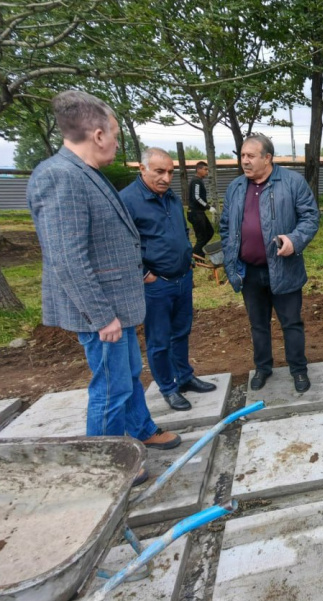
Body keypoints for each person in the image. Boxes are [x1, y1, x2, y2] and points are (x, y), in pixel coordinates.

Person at [28, 91, 180, 486]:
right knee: (109, 388)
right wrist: (101, 316)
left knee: (129, 372)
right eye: (113, 133)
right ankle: (107, 464)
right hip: (102, 312)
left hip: (117, 307)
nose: (116, 141)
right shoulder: (58, 177)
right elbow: (66, 257)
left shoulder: (85, 173)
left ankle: (141, 429)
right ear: (97, 134)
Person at [119, 148, 217, 412]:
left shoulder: (171, 197)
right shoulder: (127, 201)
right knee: (159, 340)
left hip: (182, 278)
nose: (165, 178)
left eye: (170, 172)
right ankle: (168, 388)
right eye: (159, 171)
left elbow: (182, 230)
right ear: (142, 169)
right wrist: (144, 274)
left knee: (181, 332)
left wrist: (186, 256)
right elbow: (122, 244)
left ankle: (184, 377)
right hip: (156, 284)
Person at [220, 134, 319, 393]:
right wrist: (231, 255)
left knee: (291, 323)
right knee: (258, 325)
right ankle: (263, 368)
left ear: (267, 158)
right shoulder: (236, 187)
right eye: (242, 155)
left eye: (251, 156)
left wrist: (295, 240)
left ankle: (298, 370)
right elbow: (225, 227)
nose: (244, 161)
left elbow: (310, 218)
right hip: (249, 272)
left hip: (284, 269)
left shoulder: (292, 182)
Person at [188, 161, 215, 258]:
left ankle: (200, 254)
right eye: (205, 169)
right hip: (195, 213)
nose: (207, 172)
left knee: (210, 232)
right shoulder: (196, 181)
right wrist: (208, 207)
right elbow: (197, 197)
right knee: (202, 238)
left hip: (199, 212)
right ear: (198, 169)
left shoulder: (199, 181)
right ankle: (194, 256)